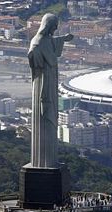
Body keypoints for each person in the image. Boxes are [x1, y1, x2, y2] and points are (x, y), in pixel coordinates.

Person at [28, 13, 73, 168]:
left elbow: (49, 43)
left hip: (39, 83)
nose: (55, 29)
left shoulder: (38, 40)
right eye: (54, 27)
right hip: (45, 85)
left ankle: (42, 162)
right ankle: (45, 163)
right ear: (48, 26)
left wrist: (63, 39)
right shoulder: (41, 42)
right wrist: (59, 43)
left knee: (43, 119)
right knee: (47, 116)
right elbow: (53, 59)